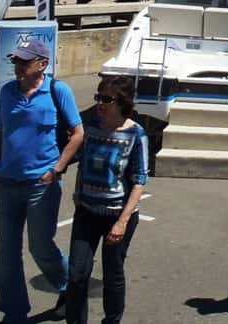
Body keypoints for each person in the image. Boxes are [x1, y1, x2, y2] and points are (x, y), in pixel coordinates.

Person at [0, 40, 84, 323]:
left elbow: (78, 133)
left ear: (42, 64)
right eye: (16, 61)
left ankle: (71, 288)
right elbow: (0, 133)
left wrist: (57, 169)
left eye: (25, 61)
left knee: (41, 247)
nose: (18, 66)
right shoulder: (7, 91)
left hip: (41, 184)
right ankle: (14, 313)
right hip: (6, 182)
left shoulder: (58, 90)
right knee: (6, 254)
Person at [65, 75, 148, 324]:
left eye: (106, 99)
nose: (100, 103)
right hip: (87, 211)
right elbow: (82, 164)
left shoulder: (136, 134)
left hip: (117, 215)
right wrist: (78, 194)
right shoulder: (90, 127)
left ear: (122, 103)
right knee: (77, 273)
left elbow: (139, 180)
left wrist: (122, 222)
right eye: (98, 97)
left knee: (112, 274)